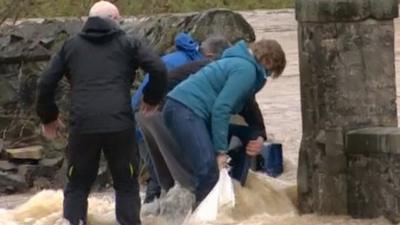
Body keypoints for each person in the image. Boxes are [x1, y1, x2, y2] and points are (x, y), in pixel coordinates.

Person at [36, 1, 167, 225]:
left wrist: (48, 116)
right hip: (119, 124)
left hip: (83, 124)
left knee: (77, 185)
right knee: (126, 184)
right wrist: (151, 98)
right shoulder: (128, 43)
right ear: (114, 20)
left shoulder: (71, 46)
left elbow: (46, 82)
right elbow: (158, 68)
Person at [162, 39, 286, 204]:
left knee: (247, 137)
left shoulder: (236, 62)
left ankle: (225, 199)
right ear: (268, 61)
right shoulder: (246, 70)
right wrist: (220, 152)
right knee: (209, 172)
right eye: (270, 73)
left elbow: (247, 109)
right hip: (185, 111)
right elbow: (221, 109)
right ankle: (201, 219)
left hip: (180, 109)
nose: (268, 76)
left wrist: (258, 136)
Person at [136, 37, 232, 196]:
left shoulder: (180, 57)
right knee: (183, 175)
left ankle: (156, 214)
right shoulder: (204, 66)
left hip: (141, 113)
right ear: (210, 56)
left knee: (161, 177)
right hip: (152, 111)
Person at [132, 32, 203, 203]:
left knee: (159, 174)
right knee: (156, 176)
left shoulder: (179, 58)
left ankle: (154, 214)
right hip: (145, 119)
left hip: (141, 117)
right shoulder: (193, 65)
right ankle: (152, 215)